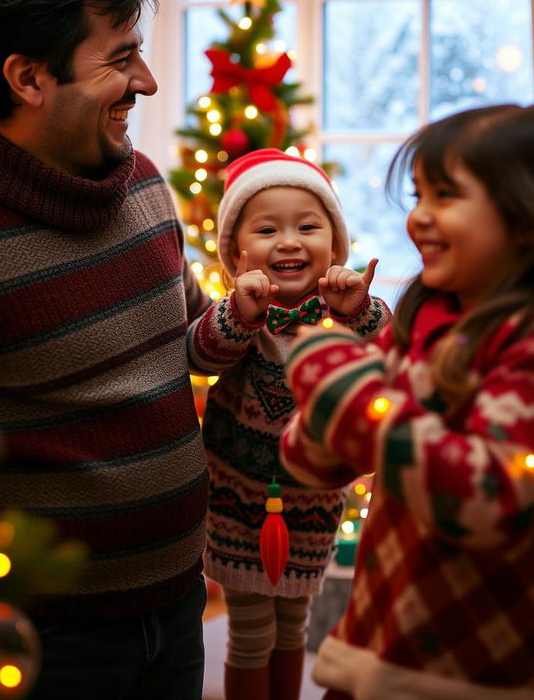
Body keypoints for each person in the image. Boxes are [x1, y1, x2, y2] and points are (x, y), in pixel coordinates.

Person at [281, 103, 534, 700]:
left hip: (494, 674)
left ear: (530, 223)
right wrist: (331, 409)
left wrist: (339, 382)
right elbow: (311, 464)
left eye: (446, 196)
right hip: (380, 653)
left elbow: (489, 497)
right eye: (418, 196)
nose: (420, 218)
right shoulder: (428, 318)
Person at [0, 0, 211, 700]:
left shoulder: (145, 185)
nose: (145, 81)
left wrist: (271, 318)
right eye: (119, 59)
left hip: (181, 601)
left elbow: (192, 344)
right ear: (28, 78)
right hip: (51, 638)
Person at [188, 148, 391, 700]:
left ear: (335, 244)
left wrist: (358, 312)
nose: (289, 241)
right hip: (237, 502)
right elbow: (201, 355)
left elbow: (389, 359)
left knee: (293, 628)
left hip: (313, 506)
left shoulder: (343, 312)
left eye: (307, 226)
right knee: (251, 634)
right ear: (237, 251)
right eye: (267, 229)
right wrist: (240, 314)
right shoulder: (240, 312)